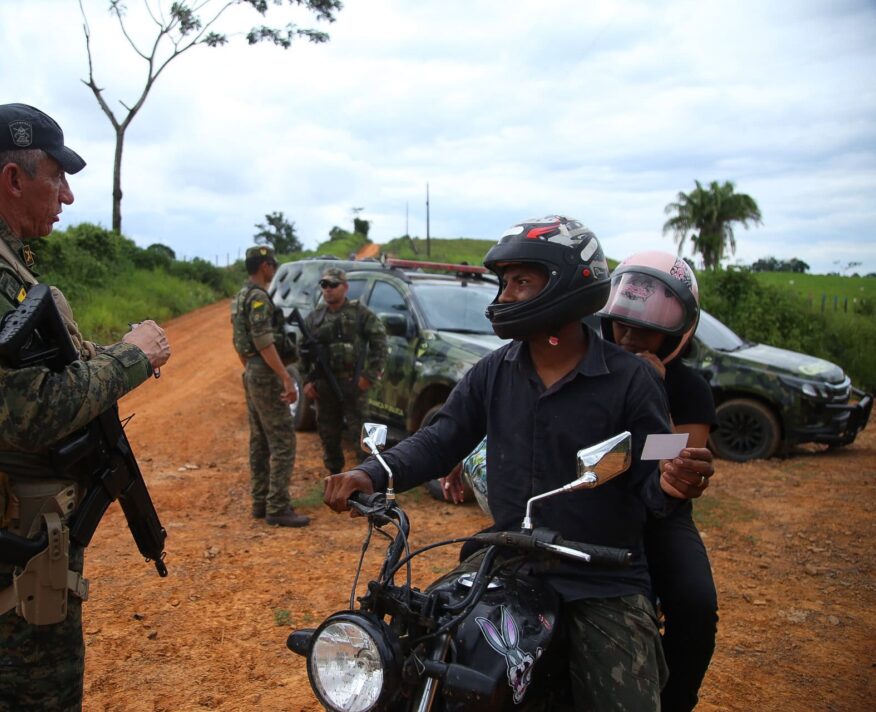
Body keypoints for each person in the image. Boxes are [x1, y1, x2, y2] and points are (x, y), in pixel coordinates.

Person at [324, 215, 713, 711]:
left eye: (522, 282)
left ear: (570, 286)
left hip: (600, 579)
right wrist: (371, 472)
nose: (505, 295)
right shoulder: (493, 371)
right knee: (411, 649)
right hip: (505, 561)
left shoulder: (632, 381)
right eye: (504, 282)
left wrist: (674, 482)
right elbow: (442, 438)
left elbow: (649, 476)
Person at [0, 103, 172, 710]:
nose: (67, 196)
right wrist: (133, 358)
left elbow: (24, 370)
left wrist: (97, 353)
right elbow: (31, 413)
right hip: (15, 535)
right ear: (14, 179)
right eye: (56, 176)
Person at [597, 251, 718, 712]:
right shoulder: (592, 371)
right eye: (620, 325)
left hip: (660, 514)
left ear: (675, 334)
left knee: (695, 604)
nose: (626, 338)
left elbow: (673, 461)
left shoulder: (690, 390)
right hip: (595, 504)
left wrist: (653, 395)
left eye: (643, 329)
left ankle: (678, 696)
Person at [231, 246, 309, 527]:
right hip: (264, 372)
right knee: (283, 439)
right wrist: (285, 377)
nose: (274, 269)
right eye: (272, 264)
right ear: (264, 266)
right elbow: (264, 340)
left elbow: (239, 341)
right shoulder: (259, 298)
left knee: (260, 440)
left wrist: (251, 368)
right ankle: (277, 506)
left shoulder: (240, 296)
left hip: (252, 370)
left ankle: (260, 501)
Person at [301, 267, 388, 474]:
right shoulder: (314, 318)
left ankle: (370, 480)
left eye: (333, 285)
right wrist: (306, 381)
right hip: (325, 388)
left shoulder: (360, 313)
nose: (328, 289)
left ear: (345, 287)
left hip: (354, 385)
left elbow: (380, 343)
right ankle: (336, 478)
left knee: (366, 437)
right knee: (328, 436)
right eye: (324, 285)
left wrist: (369, 376)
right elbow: (301, 352)